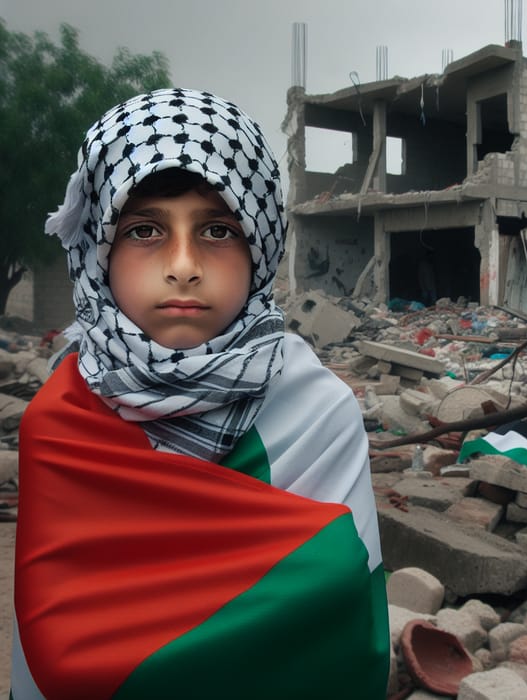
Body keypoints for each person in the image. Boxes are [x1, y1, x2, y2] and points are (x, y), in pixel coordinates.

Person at [12, 88, 389, 699]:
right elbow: (46, 641)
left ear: (260, 245)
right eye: (143, 230)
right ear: (99, 251)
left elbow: (343, 617)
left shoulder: (316, 412)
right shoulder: (60, 419)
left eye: (217, 228)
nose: (183, 264)